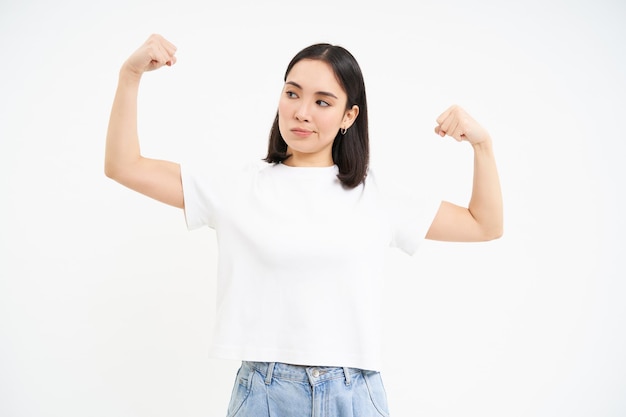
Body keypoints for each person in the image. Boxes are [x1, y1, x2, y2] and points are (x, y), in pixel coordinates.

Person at [105, 34, 503, 417]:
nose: (301, 112)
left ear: (350, 115)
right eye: (292, 93)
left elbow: (483, 224)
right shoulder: (238, 188)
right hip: (264, 393)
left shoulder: (377, 196)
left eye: (322, 102)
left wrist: (482, 146)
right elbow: (125, 166)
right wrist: (130, 75)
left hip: (354, 394)